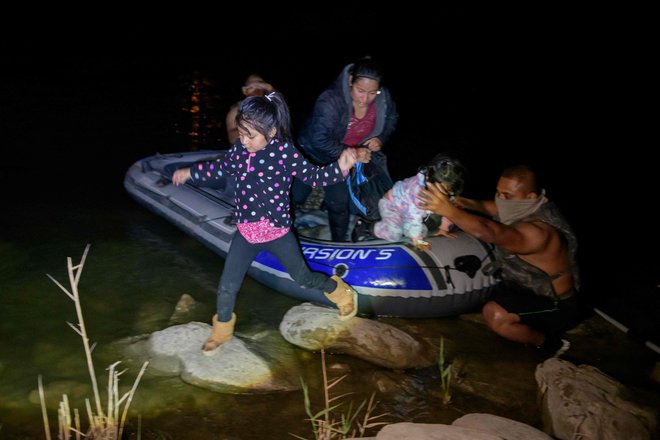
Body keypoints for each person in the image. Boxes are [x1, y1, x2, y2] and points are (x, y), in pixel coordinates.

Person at [172, 92, 360, 356]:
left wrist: (340, 167)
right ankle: (222, 331)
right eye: (241, 133)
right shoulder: (239, 150)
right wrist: (191, 172)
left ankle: (341, 292)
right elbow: (219, 168)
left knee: (303, 278)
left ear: (271, 131)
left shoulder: (284, 152)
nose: (244, 141)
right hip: (247, 233)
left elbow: (314, 177)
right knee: (227, 284)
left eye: (251, 135)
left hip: (277, 233)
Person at [417, 164, 581, 356]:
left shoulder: (539, 233)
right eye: (498, 193)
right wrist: (464, 203)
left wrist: (449, 211)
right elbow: (493, 208)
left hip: (553, 304)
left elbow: (492, 231)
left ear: (530, 196)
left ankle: (549, 345)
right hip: (520, 286)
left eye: (507, 196)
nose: (501, 199)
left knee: (495, 315)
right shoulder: (528, 205)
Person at [293, 56, 399, 242]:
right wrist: (355, 153)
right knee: (295, 196)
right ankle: (269, 226)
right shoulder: (330, 101)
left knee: (338, 203)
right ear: (351, 80)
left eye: (372, 93)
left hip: (343, 161)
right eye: (360, 91)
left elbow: (392, 117)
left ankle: (338, 244)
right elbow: (319, 139)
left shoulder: (383, 97)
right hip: (311, 155)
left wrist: (381, 138)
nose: (365, 99)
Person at [352, 153, 466, 250]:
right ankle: (366, 227)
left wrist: (443, 228)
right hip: (392, 205)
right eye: (439, 190)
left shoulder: (447, 190)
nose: (443, 196)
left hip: (407, 211)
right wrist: (417, 241)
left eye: (447, 193)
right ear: (428, 179)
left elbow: (449, 208)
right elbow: (414, 217)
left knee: (422, 230)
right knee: (394, 234)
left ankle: (402, 228)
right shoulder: (418, 192)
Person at [225, 74, 274, 146]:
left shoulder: (272, 110)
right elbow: (232, 138)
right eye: (252, 87)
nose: (257, 90)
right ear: (246, 91)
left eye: (260, 87)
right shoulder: (236, 111)